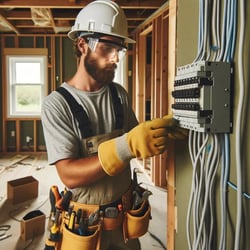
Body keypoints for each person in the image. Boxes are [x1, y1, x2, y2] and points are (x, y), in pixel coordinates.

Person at [41, 1, 185, 249]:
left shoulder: (119, 94)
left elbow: (137, 141)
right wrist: (126, 146)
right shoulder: (57, 104)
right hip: (85, 227)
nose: (115, 57)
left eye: (119, 50)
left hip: (124, 223)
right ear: (82, 44)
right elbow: (69, 174)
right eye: (107, 47)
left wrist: (160, 133)